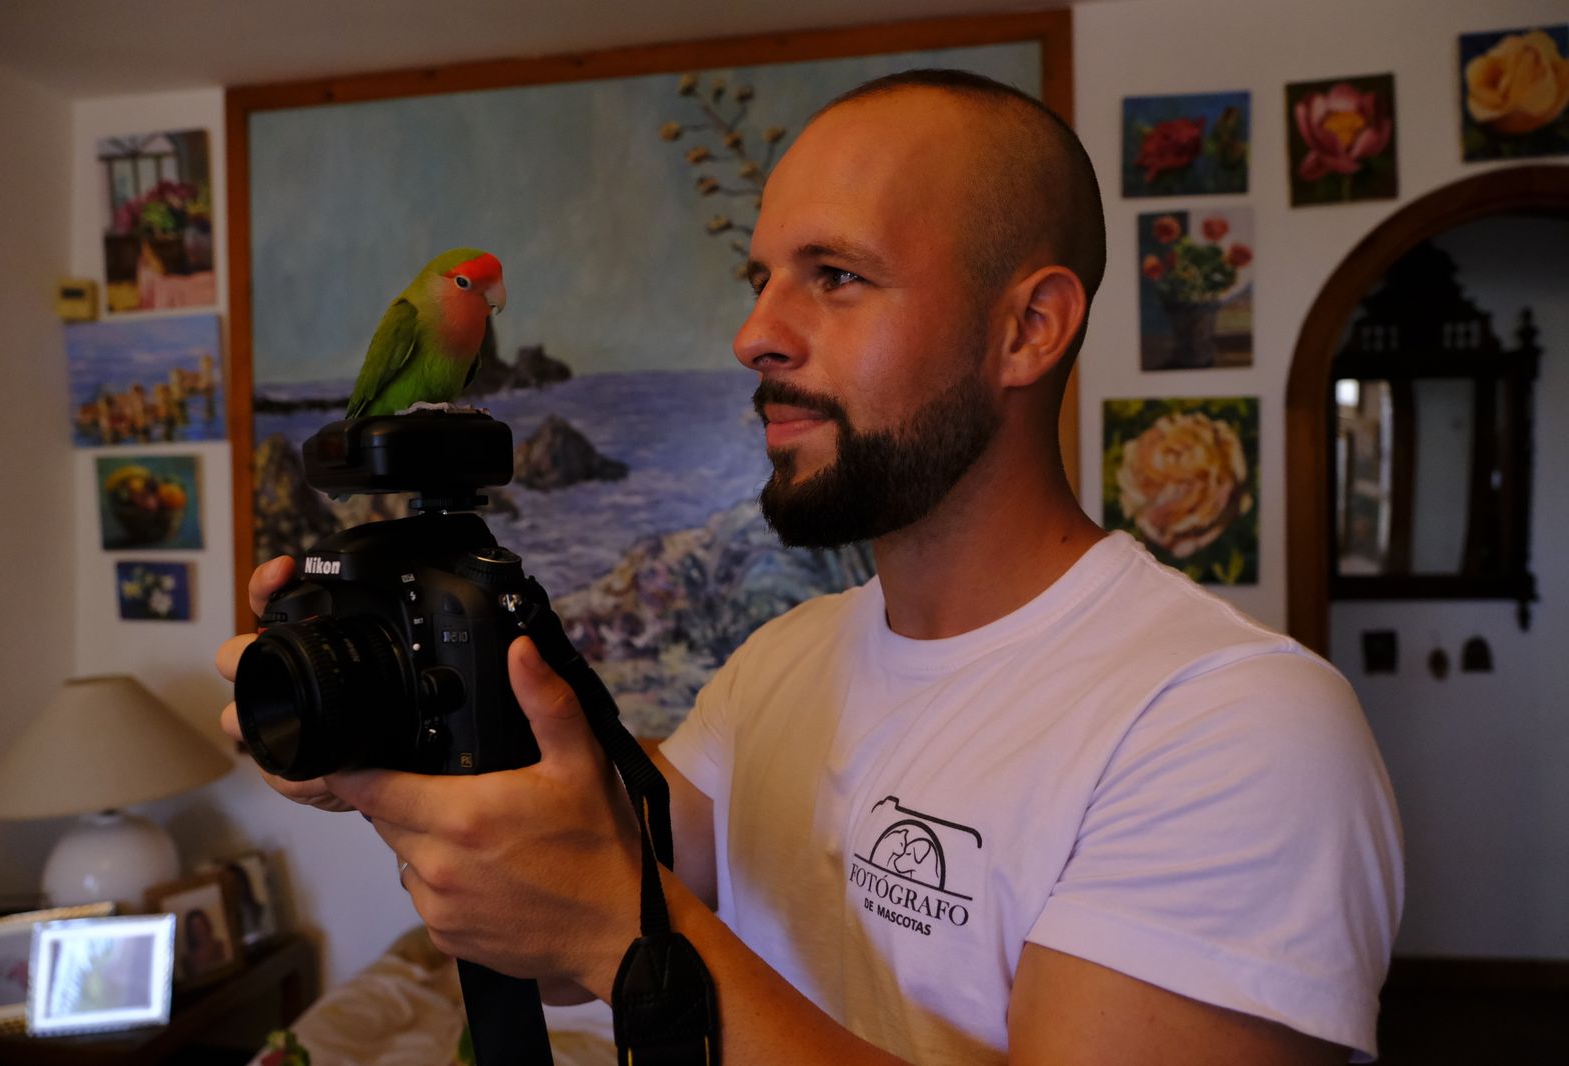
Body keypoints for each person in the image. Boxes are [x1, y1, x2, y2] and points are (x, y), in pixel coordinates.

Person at [217, 70, 1401, 1064]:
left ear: (1028, 329)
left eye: (835, 275)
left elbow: (609, 939)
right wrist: (374, 747)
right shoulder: (779, 662)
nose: (754, 335)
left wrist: (627, 946)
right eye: (761, 278)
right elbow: (565, 897)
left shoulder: (1231, 727)